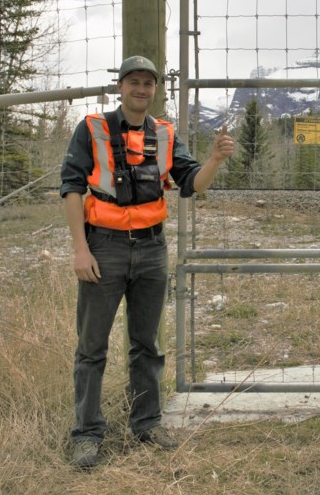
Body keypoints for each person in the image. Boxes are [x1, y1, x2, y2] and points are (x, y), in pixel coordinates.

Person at [60, 55, 234, 468]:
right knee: (91, 346)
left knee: (147, 344)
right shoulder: (92, 129)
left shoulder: (165, 134)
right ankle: (86, 433)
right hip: (103, 247)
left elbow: (193, 184)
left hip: (152, 249)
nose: (141, 89)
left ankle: (146, 423)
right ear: (120, 86)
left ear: (156, 89)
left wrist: (215, 160)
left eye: (148, 83)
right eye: (133, 81)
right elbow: (70, 188)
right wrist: (79, 249)